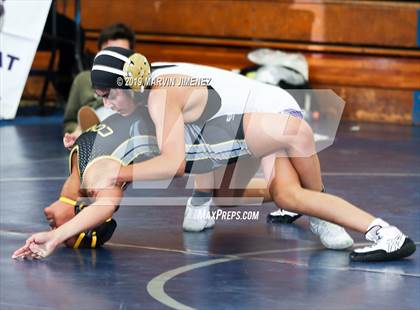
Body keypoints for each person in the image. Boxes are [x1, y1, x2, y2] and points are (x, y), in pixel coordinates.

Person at [13, 47, 416, 262]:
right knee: (286, 193)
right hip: (236, 127)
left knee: (292, 165)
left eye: (107, 95)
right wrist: (56, 235)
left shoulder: (157, 97)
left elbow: (164, 166)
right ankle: (384, 232)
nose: (105, 103)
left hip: (263, 113)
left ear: (126, 87)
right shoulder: (137, 91)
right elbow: (106, 134)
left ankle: (329, 215)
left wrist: (120, 173)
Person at [63, 23, 135, 135]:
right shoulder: (83, 79)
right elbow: (69, 122)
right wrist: (78, 133)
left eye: (121, 53)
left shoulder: (136, 81)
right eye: (109, 52)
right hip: (90, 127)